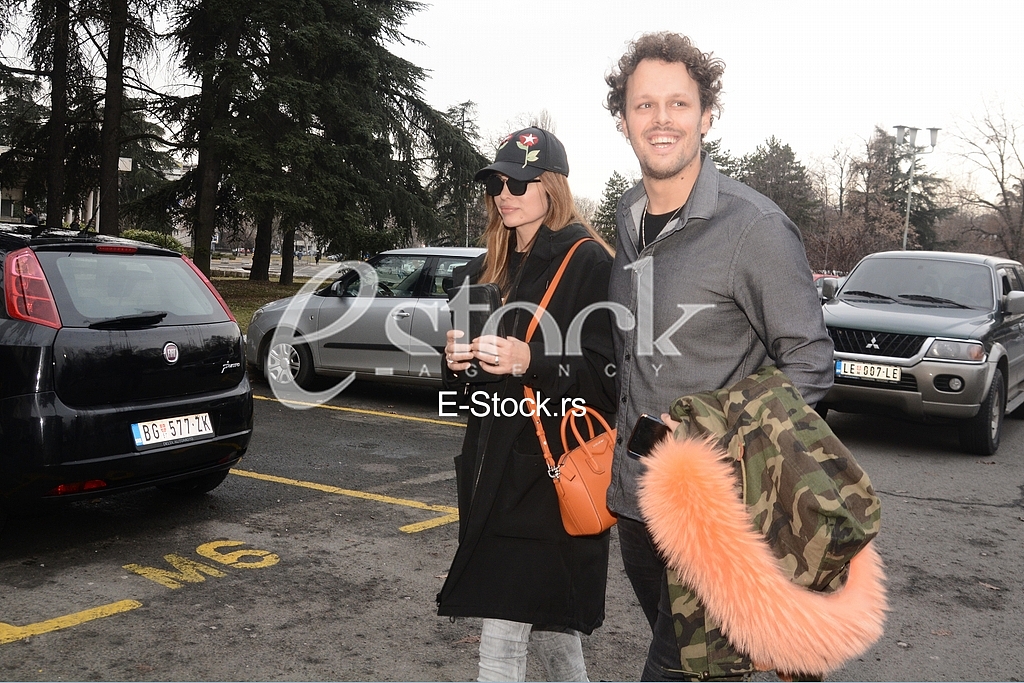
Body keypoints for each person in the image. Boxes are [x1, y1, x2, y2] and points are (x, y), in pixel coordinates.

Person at [602, 33, 837, 681]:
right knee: (708, 662)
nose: (661, 118)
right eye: (644, 104)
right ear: (623, 119)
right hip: (636, 502)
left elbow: (811, 363)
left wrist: (718, 441)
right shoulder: (625, 216)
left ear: (706, 116)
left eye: (679, 103)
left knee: (679, 668)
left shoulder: (753, 228)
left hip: (716, 510)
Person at [436, 127, 617, 682]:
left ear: (552, 187)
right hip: (492, 465)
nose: (504, 193)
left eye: (520, 181)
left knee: (504, 634)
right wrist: (453, 361)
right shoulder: (484, 268)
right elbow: (457, 399)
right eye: (496, 182)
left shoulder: (590, 262)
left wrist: (529, 360)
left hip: (548, 472)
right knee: (552, 627)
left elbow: (610, 377)